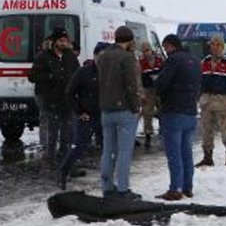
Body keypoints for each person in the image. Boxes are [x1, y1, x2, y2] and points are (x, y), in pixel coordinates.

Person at [154, 34, 202, 200]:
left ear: (170, 45)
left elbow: (161, 84)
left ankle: (176, 189)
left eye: (165, 48)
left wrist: (157, 86)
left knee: (174, 154)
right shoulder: (195, 61)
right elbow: (199, 86)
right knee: (186, 153)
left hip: (173, 112)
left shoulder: (173, 60)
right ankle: (187, 187)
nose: (165, 52)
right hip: (190, 113)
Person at [57, 42, 110, 189]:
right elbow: (69, 93)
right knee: (79, 146)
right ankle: (63, 171)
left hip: (106, 114)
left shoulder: (111, 72)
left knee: (107, 147)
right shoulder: (83, 72)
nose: (103, 60)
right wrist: (79, 111)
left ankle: (108, 178)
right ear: (95, 56)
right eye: (101, 56)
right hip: (87, 116)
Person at [97, 26, 141, 200]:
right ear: (129, 41)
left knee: (108, 150)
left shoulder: (104, 56)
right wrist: (135, 106)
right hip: (124, 110)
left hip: (106, 110)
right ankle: (123, 189)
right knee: (124, 151)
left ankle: (107, 187)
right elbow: (130, 85)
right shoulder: (127, 57)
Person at [28, 28, 80, 164]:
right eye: (61, 41)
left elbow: (77, 75)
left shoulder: (70, 56)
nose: (64, 43)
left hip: (67, 100)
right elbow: (32, 76)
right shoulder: (44, 57)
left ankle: (65, 157)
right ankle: (50, 157)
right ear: (55, 42)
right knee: (52, 132)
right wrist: (49, 76)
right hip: (51, 99)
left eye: (66, 41)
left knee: (67, 132)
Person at [196, 34, 226, 167]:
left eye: (218, 45)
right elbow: (198, 82)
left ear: (223, 46)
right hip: (207, 102)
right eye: (213, 44)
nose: (215, 47)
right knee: (206, 131)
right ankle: (207, 157)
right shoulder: (204, 62)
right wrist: (198, 98)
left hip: (224, 102)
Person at [139, 41, 164, 149]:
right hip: (148, 90)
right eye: (144, 51)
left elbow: (165, 72)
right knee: (147, 113)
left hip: (159, 89)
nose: (146, 53)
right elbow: (139, 77)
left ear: (151, 50)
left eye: (147, 50)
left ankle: (163, 131)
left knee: (163, 110)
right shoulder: (140, 62)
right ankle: (148, 135)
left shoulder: (159, 59)